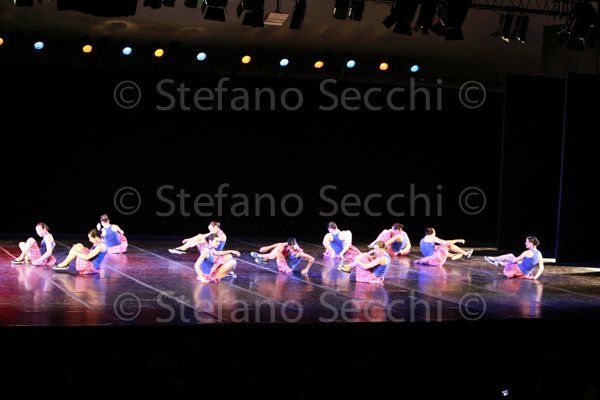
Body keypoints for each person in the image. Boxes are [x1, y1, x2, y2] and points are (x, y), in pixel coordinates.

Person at [251, 238, 315, 274]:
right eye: (291, 247)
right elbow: (280, 244)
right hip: (284, 260)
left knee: (278, 254)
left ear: (296, 244)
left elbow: (312, 259)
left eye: (293, 246)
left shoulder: (299, 253)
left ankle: (260, 256)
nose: (292, 248)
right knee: (281, 246)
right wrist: (268, 247)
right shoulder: (289, 245)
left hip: (286, 268)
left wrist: (306, 269)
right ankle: (265, 259)